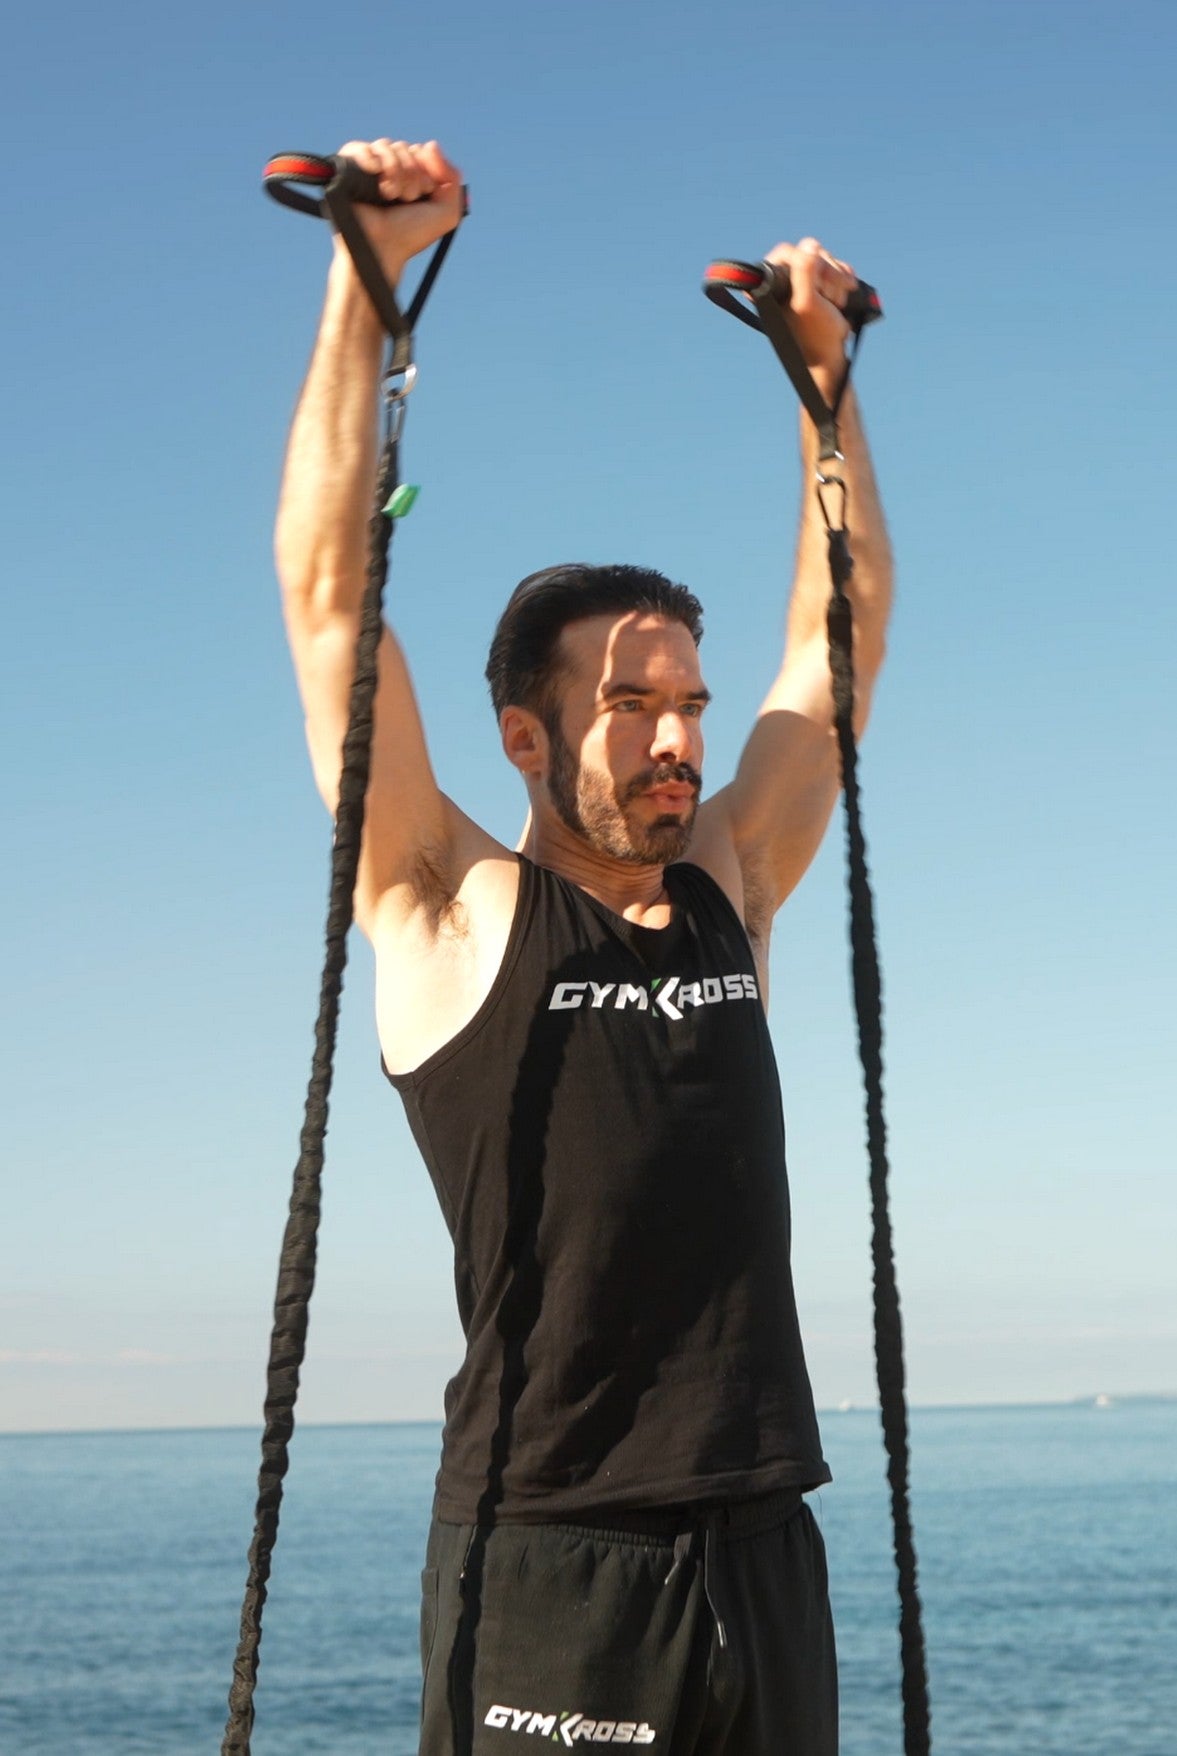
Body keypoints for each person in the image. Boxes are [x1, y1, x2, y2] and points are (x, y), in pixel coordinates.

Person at [277, 136, 892, 1756]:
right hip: (551, 1553)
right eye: (629, 706)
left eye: (687, 704)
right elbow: (330, 596)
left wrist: (825, 397)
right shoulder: (443, 901)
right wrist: (367, 284)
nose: (676, 738)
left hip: (765, 1540)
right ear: (527, 740)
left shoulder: (730, 882)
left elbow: (837, 639)